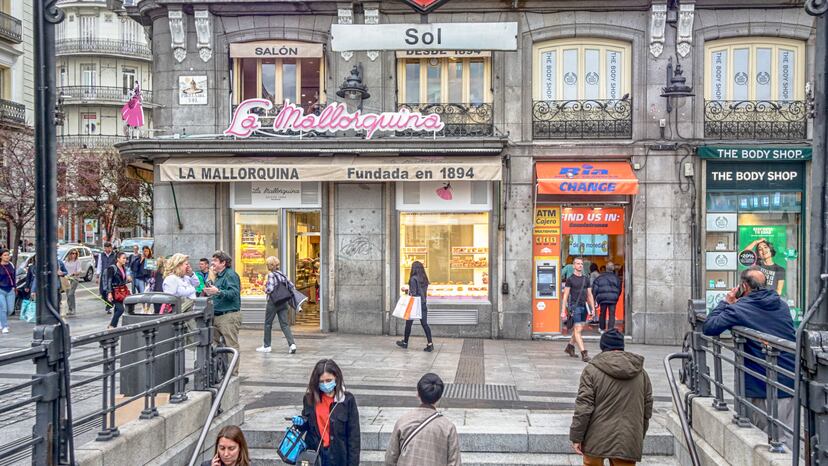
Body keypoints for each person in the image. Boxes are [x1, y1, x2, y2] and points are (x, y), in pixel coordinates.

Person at [703, 266, 796, 449]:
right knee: (788, 436)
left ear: (744, 286)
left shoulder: (740, 308)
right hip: (789, 377)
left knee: (766, 437)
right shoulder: (782, 305)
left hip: (761, 382)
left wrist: (726, 302)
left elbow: (709, 326)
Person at [570, 329, 653, 466]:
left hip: (595, 439)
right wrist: (638, 434)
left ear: (603, 346)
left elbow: (583, 407)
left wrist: (576, 437)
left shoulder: (591, 370)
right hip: (627, 438)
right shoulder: (641, 373)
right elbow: (647, 408)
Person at [291, 359, 360, 466]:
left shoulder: (347, 400)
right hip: (315, 455)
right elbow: (308, 425)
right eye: (321, 381)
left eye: (328, 380)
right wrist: (300, 422)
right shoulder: (309, 399)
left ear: (336, 378)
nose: (325, 384)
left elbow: (354, 437)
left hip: (338, 456)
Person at [384, 373, 461, 466]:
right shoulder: (448, 427)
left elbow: (390, 459)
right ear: (439, 397)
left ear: (418, 394)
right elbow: (454, 463)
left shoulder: (403, 421)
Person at [203, 251, 242, 376]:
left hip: (228, 316)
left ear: (223, 262)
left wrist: (218, 291)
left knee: (231, 344)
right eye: (212, 260)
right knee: (213, 344)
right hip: (217, 315)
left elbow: (234, 293)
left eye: (215, 260)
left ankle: (232, 374)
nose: (212, 263)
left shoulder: (230, 275)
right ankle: (217, 372)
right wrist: (211, 291)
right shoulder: (218, 276)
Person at [258, 256, 297, 355]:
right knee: (285, 324)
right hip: (283, 301)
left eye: (267, 264)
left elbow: (270, 289)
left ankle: (267, 346)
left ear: (270, 265)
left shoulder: (271, 275)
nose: (267, 266)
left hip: (273, 302)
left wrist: (264, 289)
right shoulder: (282, 274)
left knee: (268, 324)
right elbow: (292, 286)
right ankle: (292, 344)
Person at [561, 257, 596, 362]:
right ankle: (584, 353)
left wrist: (593, 308)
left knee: (579, 329)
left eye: (581, 264)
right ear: (573, 266)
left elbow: (589, 295)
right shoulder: (570, 279)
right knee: (578, 329)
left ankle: (570, 347)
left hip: (584, 306)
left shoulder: (586, 279)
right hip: (574, 307)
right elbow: (565, 295)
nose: (580, 265)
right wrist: (563, 310)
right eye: (578, 263)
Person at [396, 261, 434, 352]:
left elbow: (413, 293)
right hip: (423, 303)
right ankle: (430, 344)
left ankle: (405, 342)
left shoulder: (413, 279)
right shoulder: (424, 279)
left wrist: (406, 290)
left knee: (408, 324)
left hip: (414, 305)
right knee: (425, 324)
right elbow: (420, 292)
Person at [102, 252, 131, 329]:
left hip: (121, 292)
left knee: (117, 309)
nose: (125, 260)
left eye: (125, 258)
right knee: (121, 309)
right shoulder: (112, 268)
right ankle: (112, 325)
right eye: (123, 258)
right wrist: (109, 293)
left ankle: (113, 326)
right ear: (118, 259)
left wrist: (127, 280)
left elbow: (122, 280)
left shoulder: (123, 267)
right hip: (114, 291)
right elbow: (109, 281)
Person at [591, 262, 622, 334]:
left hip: (603, 298)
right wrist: (617, 296)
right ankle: (610, 330)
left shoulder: (600, 277)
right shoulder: (616, 278)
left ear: (606, 268)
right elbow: (619, 289)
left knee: (602, 313)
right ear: (613, 268)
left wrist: (594, 298)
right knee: (612, 314)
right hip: (613, 298)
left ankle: (602, 328)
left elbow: (595, 289)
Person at [96, 242, 117, 314]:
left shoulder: (115, 255)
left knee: (110, 290)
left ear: (111, 248)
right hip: (103, 276)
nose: (107, 249)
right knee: (102, 291)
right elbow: (99, 265)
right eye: (106, 248)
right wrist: (97, 276)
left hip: (112, 275)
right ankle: (108, 303)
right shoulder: (101, 255)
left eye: (109, 248)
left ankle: (109, 305)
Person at [0, 249, 16, 333]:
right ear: (1, 256)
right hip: (1, 290)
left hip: (10, 290)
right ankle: (4, 326)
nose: (7, 256)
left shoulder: (11, 265)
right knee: (3, 308)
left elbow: (14, 276)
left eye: (8, 255)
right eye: (5, 255)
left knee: (10, 310)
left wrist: (14, 286)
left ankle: (1, 319)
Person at [64, 249, 83, 316]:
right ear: (70, 254)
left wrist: (75, 273)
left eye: (75, 253)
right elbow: (64, 269)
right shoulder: (67, 260)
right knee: (67, 294)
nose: (74, 255)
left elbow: (79, 270)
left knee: (71, 294)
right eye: (72, 253)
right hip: (67, 279)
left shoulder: (77, 261)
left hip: (74, 279)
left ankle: (73, 309)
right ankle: (70, 309)